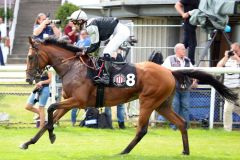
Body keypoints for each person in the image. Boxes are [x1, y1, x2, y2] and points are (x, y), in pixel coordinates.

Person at [68, 10, 130, 85]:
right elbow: (96, 45)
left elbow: (95, 45)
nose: (74, 25)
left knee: (106, 53)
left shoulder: (90, 26)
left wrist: (84, 51)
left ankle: (107, 77)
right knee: (103, 54)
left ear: (80, 21)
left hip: (120, 32)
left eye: (75, 22)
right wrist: (87, 51)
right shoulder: (90, 25)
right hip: (117, 31)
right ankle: (106, 73)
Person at [162, 43, 198, 129]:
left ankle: (185, 126)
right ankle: (174, 126)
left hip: (185, 87)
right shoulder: (169, 59)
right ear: (177, 50)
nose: (185, 51)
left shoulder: (187, 60)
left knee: (186, 106)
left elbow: (193, 71)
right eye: (183, 49)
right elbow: (163, 71)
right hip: (173, 88)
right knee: (175, 106)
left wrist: (195, 81)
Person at [217, 42, 240, 131]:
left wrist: (237, 58)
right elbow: (218, 67)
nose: (233, 52)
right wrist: (226, 56)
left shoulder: (238, 58)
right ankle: (227, 130)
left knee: (236, 109)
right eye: (232, 50)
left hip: (239, 88)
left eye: (235, 50)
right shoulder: (227, 59)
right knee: (227, 109)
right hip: (229, 89)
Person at [70, 29, 91, 126]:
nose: (82, 35)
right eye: (81, 34)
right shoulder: (79, 41)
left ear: (87, 34)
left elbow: (79, 50)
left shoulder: (88, 41)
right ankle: (73, 122)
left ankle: (85, 120)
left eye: (84, 34)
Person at [175, 0, 200, 65]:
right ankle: (190, 63)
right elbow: (177, 5)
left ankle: (175, 59)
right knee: (192, 44)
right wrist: (183, 14)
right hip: (188, 23)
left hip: (193, 24)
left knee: (185, 44)